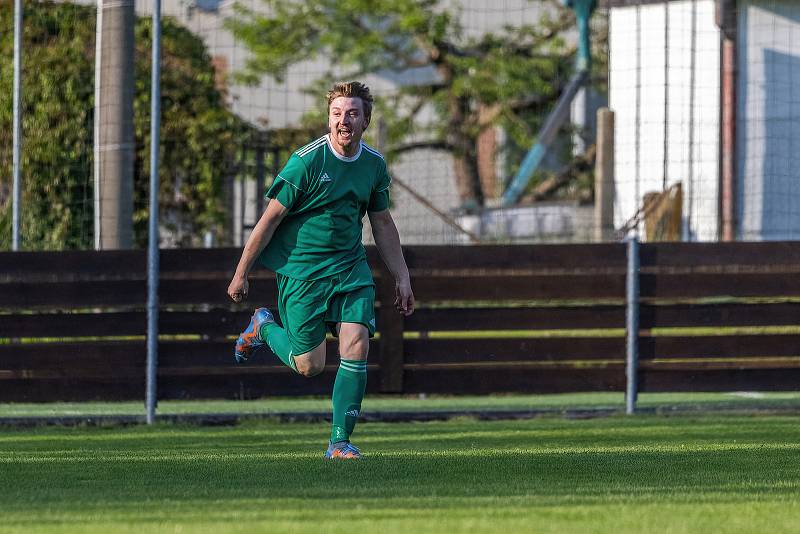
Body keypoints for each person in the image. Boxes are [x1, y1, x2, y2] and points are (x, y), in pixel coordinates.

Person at [227, 81, 415, 460]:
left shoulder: (374, 165)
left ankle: (339, 442)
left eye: (352, 114)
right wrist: (241, 272)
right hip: (303, 274)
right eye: (337, 114)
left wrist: (402, 276)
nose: (343, 121)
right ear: (328, 118)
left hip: (349, 269)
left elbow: (381, 224)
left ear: (365, 120)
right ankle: (263, 325)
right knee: (309, 366)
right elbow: (268, 221)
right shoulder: (307, 161)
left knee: (357, 343)